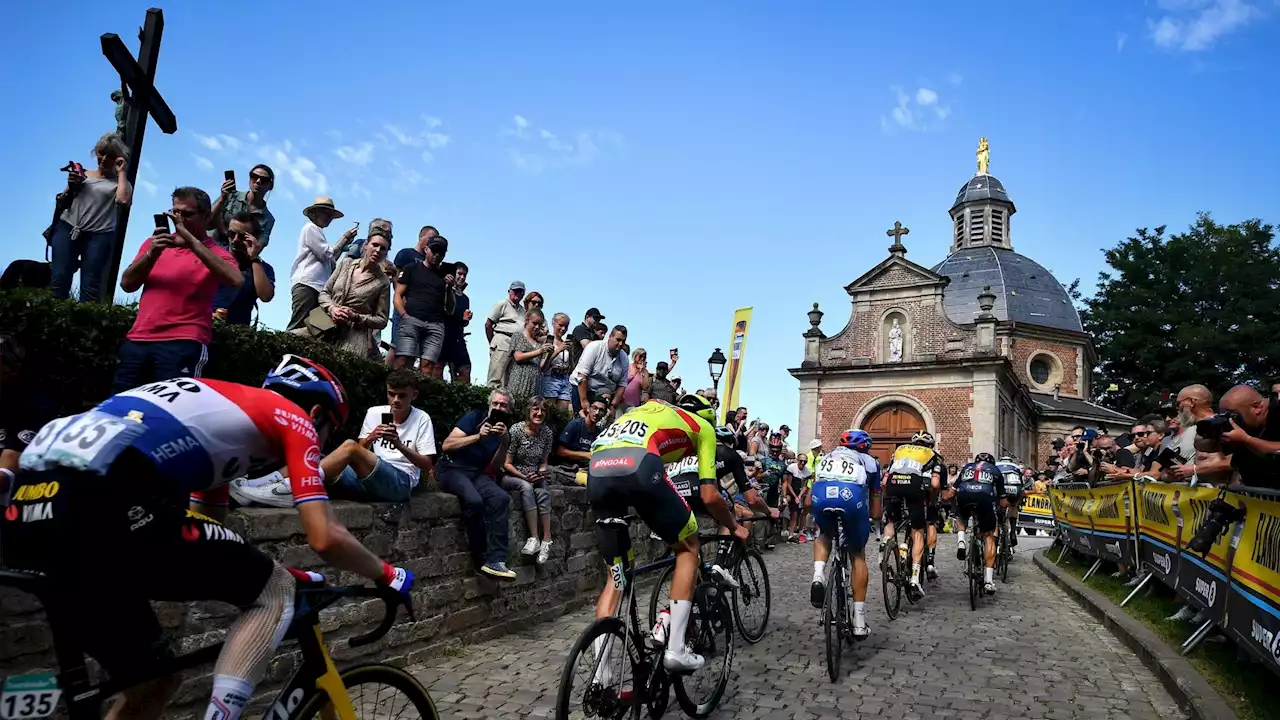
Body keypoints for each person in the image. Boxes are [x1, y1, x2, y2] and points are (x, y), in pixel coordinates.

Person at [0, 355, 412, 720]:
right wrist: (387, 574)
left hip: (30, 514)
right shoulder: (293, 416)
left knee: (152, 686)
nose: (319, 444)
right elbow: (325, 537)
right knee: (275, 590)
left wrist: (261, 569)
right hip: (103, 505)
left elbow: (203, 534)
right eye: (328, 433)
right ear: (318, 412)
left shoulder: (221, 416)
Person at [588, 394, 746, 674]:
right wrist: (733, 526)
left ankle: (601, 677)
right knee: (688, 548)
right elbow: (710, 496)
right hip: (638, 465)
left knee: (618, 573)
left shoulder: (648, 412)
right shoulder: (703, 427)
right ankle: (676, 650)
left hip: (598, 468)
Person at [113, 188, 243, 393]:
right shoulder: (153, 244)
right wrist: (152, 253)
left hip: (183, 342)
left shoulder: (216, 253)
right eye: (175, 213)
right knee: (121, 409)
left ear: (207, 216)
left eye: (187, 214)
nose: (179, 220)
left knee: (172, 415)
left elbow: (236, 279)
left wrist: (192, 242)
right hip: (138, 340)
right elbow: (127, 284)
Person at [808, 429, 882, 638]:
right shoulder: (870, 462)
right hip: (851, 499)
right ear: (865, 446)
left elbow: (808, 499)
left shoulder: (826, 457)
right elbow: (876, 509)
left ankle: (818, 575)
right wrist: (874, 519)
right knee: (857, 553)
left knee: (824, 534)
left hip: (821, 496)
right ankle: (858, 621)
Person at [438, 388, 517, 579]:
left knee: (500, 498)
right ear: (489, 405)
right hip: (451, 469)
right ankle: (480, 559)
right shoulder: (475, 418)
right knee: (474, 501)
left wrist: (505, 441)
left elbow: (496, 466)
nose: (498, 408)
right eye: (496, 404)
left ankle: (497, 561)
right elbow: (447, 445)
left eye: (503, 405)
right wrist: (477, 437)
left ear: (508, 411)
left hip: (476, 474)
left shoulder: (504, 432)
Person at [49, 132, 134, 302]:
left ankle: (84, 324)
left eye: (110, 156)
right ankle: (54, 320)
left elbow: (123, 200)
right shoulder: (83, 174)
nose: (103, 160)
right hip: (68, 227)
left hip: (99, 235)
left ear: (117, 158)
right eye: (101, 154)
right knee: (59, 276)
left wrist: (122, 172)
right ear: (96, 152)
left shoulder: (120, 184)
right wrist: (71, 185)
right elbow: (62, 200)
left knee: (91, 282)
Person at [881, 431, 943, 601]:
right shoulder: (932, 455)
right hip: (915, 489)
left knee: (892, 521)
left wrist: (887, 499)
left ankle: (884, 549)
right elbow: (936, 483)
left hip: (894, 485)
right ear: (930, 445)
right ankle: (915, 578)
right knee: (917, 532)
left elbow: (885, 482)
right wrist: (930, 500)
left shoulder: (899, 450)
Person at [287, 197, 359, 332]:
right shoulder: (310, 228)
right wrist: (344, 238)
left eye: (331, 215)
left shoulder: (318, 232)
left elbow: (330, 260)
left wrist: (344, 242)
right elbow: (327, 254)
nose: (329, 218)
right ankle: (282, 351)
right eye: (325, 213)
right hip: (307, 284)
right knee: (298, 325)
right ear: (314, 213)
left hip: (318, 289)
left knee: (319, 328)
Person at [502, 397, 555, 564]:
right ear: (528, 411)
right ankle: (534, 537)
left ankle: (546, 539)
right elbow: (507, 463)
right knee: (526, 487)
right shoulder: (517, 430)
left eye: (543, 410)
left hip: (535, 475)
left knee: (543, 492)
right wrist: (524, 476)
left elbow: (544, 461)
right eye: (535, 409)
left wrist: (541, 473)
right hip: (514, 475)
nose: (539, 413)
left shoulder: (547, 433)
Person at [212, 211, 276, 326]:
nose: (235, 240)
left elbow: (266, 296)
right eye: (232, 234)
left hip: (237, 333)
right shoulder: (213, 255)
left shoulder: (263, 268)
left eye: (242, 236)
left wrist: (254, 258)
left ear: (254, 237)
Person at [953, 453, 1003, 594]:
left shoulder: (967, 467)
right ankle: (988, 580)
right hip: (984, 497)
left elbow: (955, 488)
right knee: (989, 535)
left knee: (962, 516)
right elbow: (1002, 497)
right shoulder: (995, 471)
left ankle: (961, 541)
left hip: (964, 494)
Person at [211, 164, 276, 248]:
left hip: (234, 254)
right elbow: (207, 221)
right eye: (254, 176)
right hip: (211, 243)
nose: (258, 181)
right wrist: (222, 199)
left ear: (270, 186)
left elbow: (257, 247)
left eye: (264, 180)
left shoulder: (268, 219)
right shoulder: (230, 195)